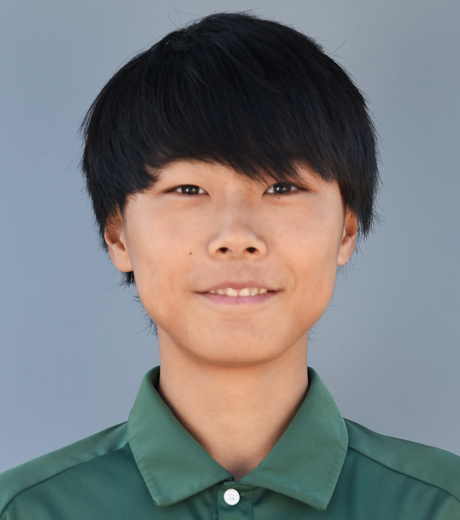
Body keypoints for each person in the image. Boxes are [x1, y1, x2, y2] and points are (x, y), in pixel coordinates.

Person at [1, 10, 459, 520]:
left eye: (282, 187)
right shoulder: (27, 510)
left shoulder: (441, 505)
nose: (237, 237)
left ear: (346, 230)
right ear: (117, 235)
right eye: (188, 189)